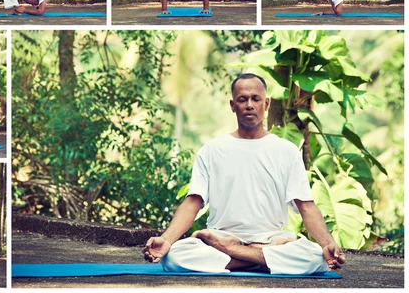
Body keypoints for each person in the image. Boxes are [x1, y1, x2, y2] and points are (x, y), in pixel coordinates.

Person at [143, 73, 346, 275]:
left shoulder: (287, 151)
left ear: (266, 104)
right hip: (221, 236)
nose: (249, 105)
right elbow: (193, 201)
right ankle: (262, 259)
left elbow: (305, 205)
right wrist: (167, 240)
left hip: (269, 240)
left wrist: (328, 244)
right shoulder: (212, 150)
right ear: (233, 105)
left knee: (317, 258)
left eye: (255, 99)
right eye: (242, 99)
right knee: (175, 256)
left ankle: (233, 252)